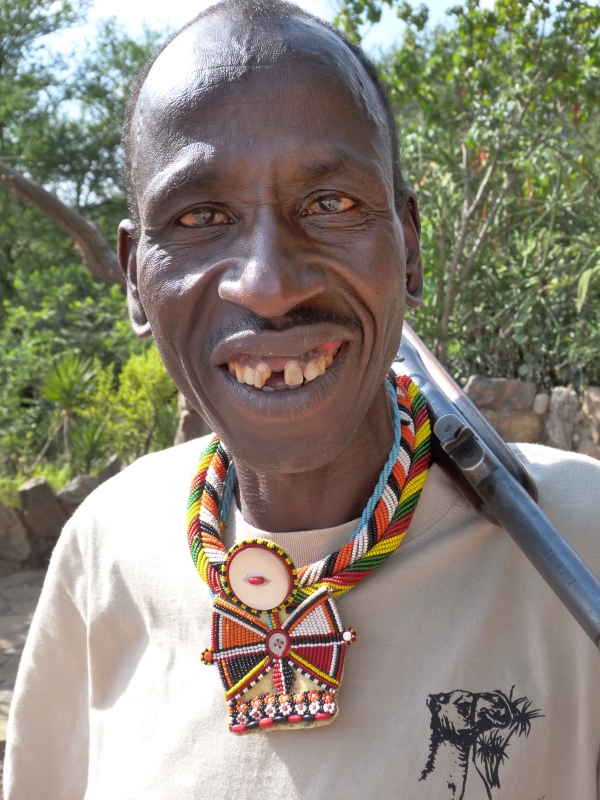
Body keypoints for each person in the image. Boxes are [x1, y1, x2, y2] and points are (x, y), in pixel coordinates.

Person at [5, 1, 600, 798]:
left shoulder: (582, 542)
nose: (269, 284)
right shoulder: (105, 548)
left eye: (330, 205)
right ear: (136, 279)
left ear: (409, 246)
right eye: (201, 216)